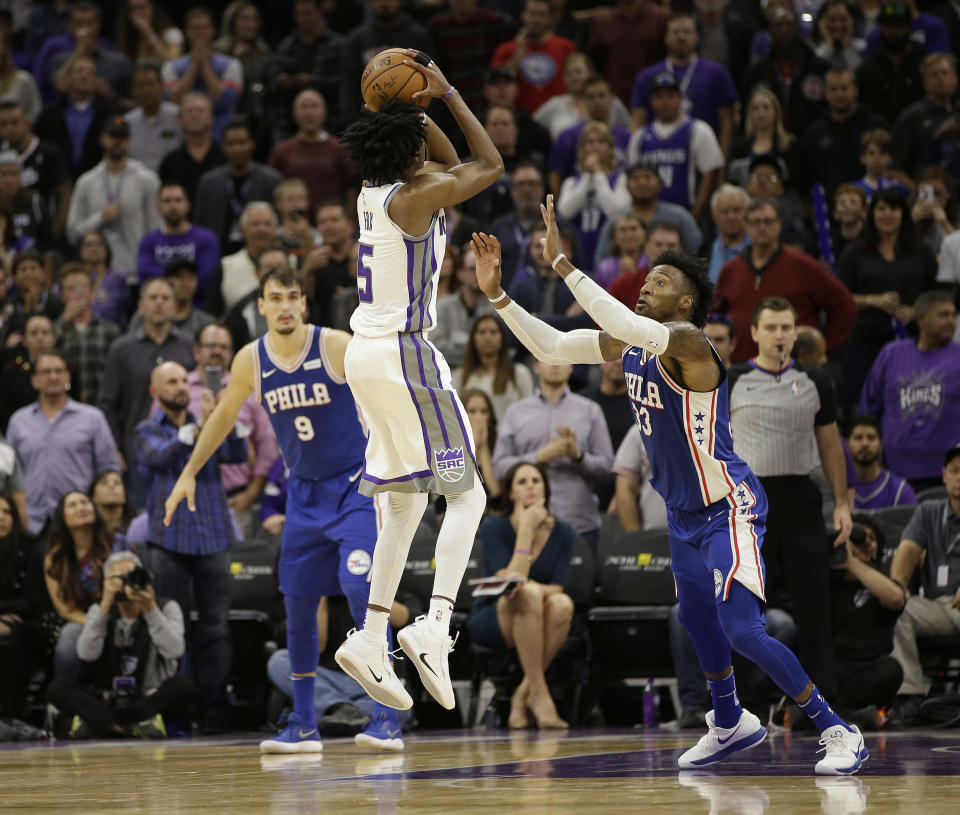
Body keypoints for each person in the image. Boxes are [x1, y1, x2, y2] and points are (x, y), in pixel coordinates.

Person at [469, 196, 867, 774]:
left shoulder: (689, 344)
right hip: (681, 514)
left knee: (742, 629)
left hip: (727, 504)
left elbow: (626, 323)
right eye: (645, 278)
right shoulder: (631, 344)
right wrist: (497, 294)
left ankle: (836, 727)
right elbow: (552, 347)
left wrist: (560, 264)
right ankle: (729, 722)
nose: (644, 286)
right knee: (697, 621)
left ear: (684, 301)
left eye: (658, 281)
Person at [163, 268, 406, 753]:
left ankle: (388, 716)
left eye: (293, 296)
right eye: (275, 298)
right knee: (296, 604)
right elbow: (223, 416)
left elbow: (389, 390)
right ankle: (302, 722)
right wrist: (188, 472)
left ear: (303, 303)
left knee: (362, 588)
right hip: (303, 496)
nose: (285, 306)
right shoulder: (250, 360)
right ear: (262, 306)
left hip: (354, 489)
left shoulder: (336, 345)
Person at [332, 53, 503, 716]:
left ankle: (372, 635)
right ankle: (434, 623)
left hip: (363, 356)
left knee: (402, 504)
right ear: (409, 157)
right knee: (468, 497)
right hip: (405, 356)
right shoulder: (414, 194)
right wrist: (451, 94)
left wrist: (411, 108)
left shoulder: (375, 192)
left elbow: (441, 162)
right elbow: (485, 166)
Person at [727, 297, 854, 707]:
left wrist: (841, 503)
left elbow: (832, 447)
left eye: (786, 327)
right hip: (749, 502)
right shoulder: (733, 379)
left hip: (800, 497)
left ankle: (822, 698)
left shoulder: (816, 381)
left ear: (795, 333)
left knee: (814, 602)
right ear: (754, 333)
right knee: (743, 602)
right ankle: (739, 702)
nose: (779, 335)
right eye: (771, 327)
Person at [136, 359, 246, 733]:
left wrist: (224, 420)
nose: (181, 386)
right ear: (155, 391)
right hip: (168, 542)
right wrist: (204, 424)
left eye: (184, 379)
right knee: (173, 629)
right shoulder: (147, 429)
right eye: (171, 381)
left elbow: (237, 455)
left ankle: (214, 708)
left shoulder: (209, 422)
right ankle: (177, 710)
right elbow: (159, 455)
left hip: (213, 537)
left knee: (216, 628)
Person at [467, 462, 575, 729]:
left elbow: (558, 587)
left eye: (536, 480)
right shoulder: (494, 527)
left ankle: (523, 695)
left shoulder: (563, 532)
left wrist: (534, 589)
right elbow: (513, 580)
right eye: (522, 481)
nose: (530, 486)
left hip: (539, 609)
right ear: (511, 493)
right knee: (526, 594)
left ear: (546, 490)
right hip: (493, 614)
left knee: (562, 604)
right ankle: (542, 699)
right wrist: (526, 529)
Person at [46, 549, 194, 739]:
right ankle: (132, 726)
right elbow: (86, 654)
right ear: (106, 583)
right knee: (57, 688)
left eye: (131, 576)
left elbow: (175, 650)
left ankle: (105, 724)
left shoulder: (166, 607)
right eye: (118, 578)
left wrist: (150, 609)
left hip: (149, 696)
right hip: (107, 697)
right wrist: (105, 605)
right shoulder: (98, 609)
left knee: (184, 686)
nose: (126, 584)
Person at [716, 198, 858, 364]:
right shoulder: (731, 269)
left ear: (779, 224)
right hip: (741, 369)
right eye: (756, 222)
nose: (762, 227)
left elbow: (845, 306)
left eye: (769, 221)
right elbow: (714, 316)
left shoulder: (804, 266)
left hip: (792, 371)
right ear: (746, 226)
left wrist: (821, 348)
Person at [494, 361, 614, 548]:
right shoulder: (515, 412)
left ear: (571, 367)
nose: (555, 364)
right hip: (525, 525)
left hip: (579, 523)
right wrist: (537, 458)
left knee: (580, 577)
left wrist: (579, 456)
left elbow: (607, 468)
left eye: (563, 358)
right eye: (548, 358)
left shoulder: (590, 410)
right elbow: (499, 468)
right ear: (536, 367)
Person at [838, 187, 938, 411]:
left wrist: (916, 311)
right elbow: (839, 298)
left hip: (911, 339)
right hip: (864, 341)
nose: (887, 214)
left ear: (903, 213)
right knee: (861, 403)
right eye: (881, 208)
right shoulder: (855, 251)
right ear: (871, 214)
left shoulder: (922, 251)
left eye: (893, 208)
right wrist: (873, 300)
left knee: (909, 404)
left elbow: (937, 294)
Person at [97, 276, 194, 505]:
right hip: (137, 452)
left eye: (165, 298)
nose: (159, 303)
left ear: (175, 305)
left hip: (184, 449)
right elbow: (107, 403)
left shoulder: (189, 346)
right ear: (140, 306)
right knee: (144, 518)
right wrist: (114, 450)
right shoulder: (122, 349)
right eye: (152, 298)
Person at [7, 349, 120, 533]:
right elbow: (11, 473)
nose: (53, 377)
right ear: (34, 380)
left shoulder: (92, 418)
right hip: (33, 521)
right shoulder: (19, 421)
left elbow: (108, 468)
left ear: (68, 377)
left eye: (59, 371)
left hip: (81, 521)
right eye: (46, 372)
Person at [859, 288, 960, 492]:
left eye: (953, 315)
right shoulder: (891, 354)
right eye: (943, 315)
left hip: (948, 472)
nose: (951, 321)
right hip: (895, 470)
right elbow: (868, 410)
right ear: (921, 318)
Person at [888, 444, 960, 721]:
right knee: (898, 608)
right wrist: (898, 584)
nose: (959, 477)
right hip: (937, 606)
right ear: (943, 475)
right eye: (954, 471)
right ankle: (910, 696)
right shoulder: (929, 511)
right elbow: (908, 549)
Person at [185, 323, 277, 537]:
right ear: (196, 351)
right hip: (189, 499)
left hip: (236, 500)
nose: (217, 351)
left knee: (236, 567)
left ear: (232, 353)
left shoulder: (248, 390)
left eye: (223, 347)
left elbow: (267, 448)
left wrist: (252, 493)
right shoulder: (179, 388)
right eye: (210, 346)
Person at [66, 116, 162, 283]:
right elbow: (72, 232)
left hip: (135, 275)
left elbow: (156, 229)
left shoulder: (147, 179)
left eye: (122, 137)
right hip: (96, 278)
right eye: (112, 136)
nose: (117, 142)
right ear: (102, 139)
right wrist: (99, 219)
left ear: (129, 141)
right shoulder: (86, 182)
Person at [830, 513, 906, 717]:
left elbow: (896, 598)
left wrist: (851, 562)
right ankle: (855, 715)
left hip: (866, 667)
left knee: (892, 670)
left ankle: (834, 713)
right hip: (830, 667)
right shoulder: (827, 582)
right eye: (860, 536)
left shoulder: (881, 583)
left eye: (873, 540)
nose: (867, 542)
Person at [631, 14, 739, 154]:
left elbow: (727, 122)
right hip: (658, 155)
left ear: (697, 38)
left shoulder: (716, 73)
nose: (681, 37)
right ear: (666, 38)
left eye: (687, 32)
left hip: (704, 153)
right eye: (675, 32)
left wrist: (722, 159)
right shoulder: (647, 76)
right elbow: (638, 121)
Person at [627, 72, 723, 221]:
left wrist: (695, 215)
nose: (665, 102)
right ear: (651, 101)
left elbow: (710, 174)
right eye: (659, 96)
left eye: (670, 95)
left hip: (686, 214)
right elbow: (631, 178)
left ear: (680, 98)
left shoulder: (698, 130)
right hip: (646, 217)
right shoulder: (639, 136)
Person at [42, 490, 112, 681]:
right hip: (80, 619)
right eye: (72, 505)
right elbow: (65, 609)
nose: (81, 507)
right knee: (69, 635)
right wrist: (95, 625)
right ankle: (63, 701)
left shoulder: (115, 544)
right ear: (61, 517)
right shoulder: (55, 557)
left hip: (117, 616)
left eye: (85, 502)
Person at [192, 119, 281, 258]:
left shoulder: (271, 180)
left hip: (261, 255)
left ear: (252, 144)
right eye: (231, 144)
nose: (237, 149)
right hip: (218, 255)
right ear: (223, 146)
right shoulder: (209, 182)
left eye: (242, 143)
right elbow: (199, 223)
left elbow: (279, 221)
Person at [801, 67, 888, 199]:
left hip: (871, 204)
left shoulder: (875, 125)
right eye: (834, 89)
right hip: (827, 208)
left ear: (855, 90)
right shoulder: (815, 132)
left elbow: (889, 166)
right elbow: (808, 175)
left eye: (844, 88)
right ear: (826, 93)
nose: (839, 94)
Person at [266, 0, 345, 142]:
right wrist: (283, 82)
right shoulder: (286, 47)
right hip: (289, 129)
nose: (303, 19)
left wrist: (311, 82)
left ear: (320, 13)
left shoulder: (338, 46)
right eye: (299, 14)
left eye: (307, 14)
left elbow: (345, 83)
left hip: (332, 126)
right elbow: (271, 82)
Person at [267, 89, 354, 217]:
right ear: (294, 114)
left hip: (330, 224)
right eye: (303, 107)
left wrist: (349, 221)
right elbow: (273, 190)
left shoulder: (340, 149)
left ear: (325, 112)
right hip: (291, 225)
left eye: (314, 107)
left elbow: (351, 189)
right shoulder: (281, 151)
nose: (309, 113)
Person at [161, 7, 242, 140]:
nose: (199, 33)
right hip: (183, 137)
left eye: (204, 27)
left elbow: (226, 99)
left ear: (213, 31)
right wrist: (194, 66)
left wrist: (205, 65)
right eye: (195, 28)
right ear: (187, 32)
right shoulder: (171, 66)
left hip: (222, 136)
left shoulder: (231, 64)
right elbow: (172, 100)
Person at [556, 122, 630, 268]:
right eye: (589, 142)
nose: (595, 146)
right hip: (578, 248)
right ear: (582, 149)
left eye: (601, 142)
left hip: (609, 248)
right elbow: (565, 211)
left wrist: (597, 173)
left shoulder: (620, 179)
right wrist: (587, 177)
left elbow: (616, 212)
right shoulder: (572, 182)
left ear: (611, 149)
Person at [0, 100, 73, 245]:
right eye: (3, 124)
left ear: (27, 122)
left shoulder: (48, 154)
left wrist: (55, 232)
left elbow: (65, 192)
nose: (10, 129)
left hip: (40, 230)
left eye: (15, 122)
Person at [136, 182, 220, 301]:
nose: (173, 206)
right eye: (167, 201)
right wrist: (186, 280)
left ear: (188, 205)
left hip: (198, 308)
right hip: (161, 305)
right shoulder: (148, 241)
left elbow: (207, 278)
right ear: (158, 207)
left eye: (178, 200)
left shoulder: (206, 238)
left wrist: (165, 279)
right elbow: (145, 276)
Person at [490, 0, 576, 115]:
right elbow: (497, 83)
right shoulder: (506, 50)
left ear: (550, 19)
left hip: (558, 115)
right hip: (519, 118)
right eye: (532, 14)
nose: (536, 20)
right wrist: (518, 56)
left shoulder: (566, 47)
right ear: (523, 15)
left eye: (541, 15)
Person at [0, 493, 42, 729]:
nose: (1, 517)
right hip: (8, 618)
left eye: (7, 512)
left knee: (9, 639)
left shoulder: (29, 546)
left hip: (27, 622)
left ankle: (12, 715)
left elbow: (32, 602)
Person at [33, 55, 112, 179]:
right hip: (57, 180)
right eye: (79, 71)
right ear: (69, 78)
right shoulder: (50, 113)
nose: (84, 76)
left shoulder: (107, 113)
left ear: (96, 80)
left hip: (98, 180)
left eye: (90, 72)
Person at [55, 262, 121, 403]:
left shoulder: (110, 330)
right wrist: (64, 321)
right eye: (72, 289)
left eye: (82, 287)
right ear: (61, 294)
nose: (78, 293)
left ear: (91, 292)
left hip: (102, 405)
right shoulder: (53, 330)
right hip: (65, 406)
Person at [586, 0, 669, 106]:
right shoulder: (604, 22)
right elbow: (595, 62)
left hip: (654, 96)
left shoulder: (660, 18)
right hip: (615, 98)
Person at [453, 314, 534, 422]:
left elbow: (528, 413)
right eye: (482, 332)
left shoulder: (519, 373)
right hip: (473, 436)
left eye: (493, 332)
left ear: (502, 337)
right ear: (473, 338)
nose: (488, 337)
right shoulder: (460, 376)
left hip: (510, 437)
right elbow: (453, 415)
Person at [427, 244, 495, 369]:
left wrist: (457, 339)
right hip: (450, 375)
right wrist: (478, 348)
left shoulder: (496, 308)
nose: (477, 273)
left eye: (483, 268)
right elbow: (435, 347)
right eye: (471, 269)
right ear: (460, 274)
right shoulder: (444, 306)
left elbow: (501, 350)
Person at [534, 53, 630, 139]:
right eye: (568, 73)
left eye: (578, 72)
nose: (573, 77)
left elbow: (628, 127)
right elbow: (532, 127)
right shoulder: (555, 104)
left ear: (591, 73)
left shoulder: (609, 100)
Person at [206, 201, 278, 317]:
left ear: (275, 229)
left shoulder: (291, 262)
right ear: (242, 230)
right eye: (255, 224)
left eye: (267, 224)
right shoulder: (225, 266)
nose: (262, 229)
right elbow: (212, 313)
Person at [892, 53, 957, 177]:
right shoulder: (912, 116)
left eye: (945, 72)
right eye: (934, 75)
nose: (940, 78)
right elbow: (896, 165)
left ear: (955, 77)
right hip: (925, 186)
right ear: (925, 83)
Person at [156, 92, 225, 206]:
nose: (195, 115)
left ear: (211, 118)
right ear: (181, 121)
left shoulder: (225, 155)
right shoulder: (170, 161)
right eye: (189, 112)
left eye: (200, 111)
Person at [727, 88, 802, 191]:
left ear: (776, 112)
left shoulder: (789, 145)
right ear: (750, 114)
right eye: (755, 109)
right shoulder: (739, 147)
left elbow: (795, 182)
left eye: (766, 108)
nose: (761, 113)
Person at [847, 414, 917, 509]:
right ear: (847, 444)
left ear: (881, 444)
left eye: (871, 437)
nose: (865, 444)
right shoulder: (836, 489)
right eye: (858, 438)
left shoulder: (900, 490)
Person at [609, 221, 682, 310]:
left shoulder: (689, 287)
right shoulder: (625, 283)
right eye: (658, 244)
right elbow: (602, 318)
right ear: (646, 247)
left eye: (671, 245)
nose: (664, 250)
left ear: (680, 249)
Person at [123, 61, 181, 173]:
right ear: (133, 91)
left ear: (162, 86)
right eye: (140, 86)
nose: (146, 91)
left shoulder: (178, 116)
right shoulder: (127, 121)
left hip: (172, 182)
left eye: (150, 84)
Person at [704, 185, 751, 284]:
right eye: (724, 212)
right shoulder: (703, 252)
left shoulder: (761, 248)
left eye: (737, 210)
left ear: (748, 213)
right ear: (714, 216)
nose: (731, 217)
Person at [461, 388, 501, 499]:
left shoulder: (499, 444)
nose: (479, 418)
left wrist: (483, 446)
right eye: (472, 411)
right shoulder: (446, 445)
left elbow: (496, 491)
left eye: (484, 412)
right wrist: (472, 445)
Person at [113, 0, 182, 64]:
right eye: (133, 8)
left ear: (152, 8)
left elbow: (173, 62)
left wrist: (149, 33)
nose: (138, 12)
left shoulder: (172, 33)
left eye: (142, 7)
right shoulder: (125, 36)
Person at [594, 214, 647, 291]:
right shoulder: (605, 268)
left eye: (633, 229)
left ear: (645, 233)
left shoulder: (652, 262)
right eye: (623, 230)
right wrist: (621, 280)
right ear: (614, 237)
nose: (628, 234)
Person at [89, 469, 132, 542]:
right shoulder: (87, 530)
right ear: (93, 496)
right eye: (104, 483)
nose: (111, 486)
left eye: (117, 483)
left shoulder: (137, 526)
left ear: (125, 495)